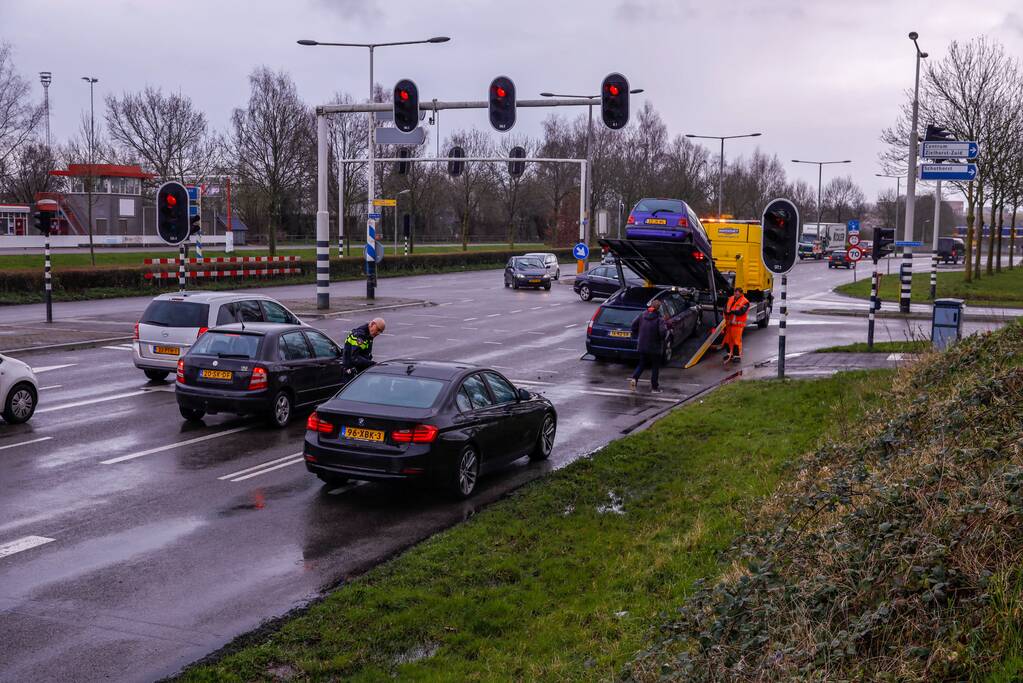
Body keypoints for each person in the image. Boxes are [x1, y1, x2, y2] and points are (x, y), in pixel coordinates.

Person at [628, 299, 667, 393]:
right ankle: (654, 387)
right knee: (655, 367)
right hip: (655, 347)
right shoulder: (659, 319)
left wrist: (638, 335)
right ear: (658, 308)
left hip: (642, 345)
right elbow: (662, 333)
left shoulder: (642, 315)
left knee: (641, 364)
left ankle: (634, 379)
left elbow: (633, 325)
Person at [722, 287, 749, 364]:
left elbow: (741, 312)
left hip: (738, 325)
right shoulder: (731, 298)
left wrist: (732, 312)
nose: (736, 295)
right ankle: (729, 354)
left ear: (741, 293)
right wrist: (726, 312)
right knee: (728, 340)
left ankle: (737, 356)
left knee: (736, 341)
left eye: (737, 293)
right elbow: (725, 307)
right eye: (735, 293)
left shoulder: (745, 302)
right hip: (729, 324)